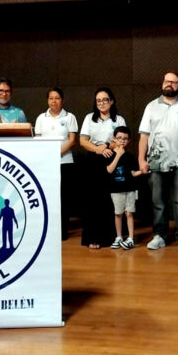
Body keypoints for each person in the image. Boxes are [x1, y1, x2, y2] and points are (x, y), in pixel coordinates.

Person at [138, 71, 178, 251]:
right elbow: (144, 136)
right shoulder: (151, 107)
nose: (169, 84)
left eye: (173, 82)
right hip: (156, 163)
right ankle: (159, 235)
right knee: (158, 200)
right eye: (167, 81)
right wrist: (141, 160)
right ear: (162, 83)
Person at [79, 87, 128, 249]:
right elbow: (83, 141)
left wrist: (106, 146)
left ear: (111, 101)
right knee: (93, 199)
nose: (101, 103)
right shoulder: (89, 118)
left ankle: (111, 237)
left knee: (109, 199)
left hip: (112, 158)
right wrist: (98, 149)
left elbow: (121, 140)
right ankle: (92, 237)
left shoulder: (119, 120)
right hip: (93, 160)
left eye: (105, 100)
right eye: (98, 100)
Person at [33, 87, 79, 241]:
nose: (54, 101)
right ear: (47, 100)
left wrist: (56, 153)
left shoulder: (70, 117)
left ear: (62, 100)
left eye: (57, 98)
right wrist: (47, 156)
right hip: (46, 163)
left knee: (64, 198)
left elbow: (72, 140)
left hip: (64, 162)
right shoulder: (41, 118)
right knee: (48, 197)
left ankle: (62, 231)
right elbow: (38, 140)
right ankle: (48, 229)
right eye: (51, 98)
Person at [106, 126, 144, 250]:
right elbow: (109, 170)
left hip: (130, 189)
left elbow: (133, 173)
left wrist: (142, 171)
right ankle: (119, 237)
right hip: (116, 190)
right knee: (118, 214)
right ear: (114, 139)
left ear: (129, 141)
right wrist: (118, 155)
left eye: (125, 139)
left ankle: (131, 238)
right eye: (119, 138)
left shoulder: (130, 157)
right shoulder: (109, 154)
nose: (122, 141)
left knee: (129, 213)